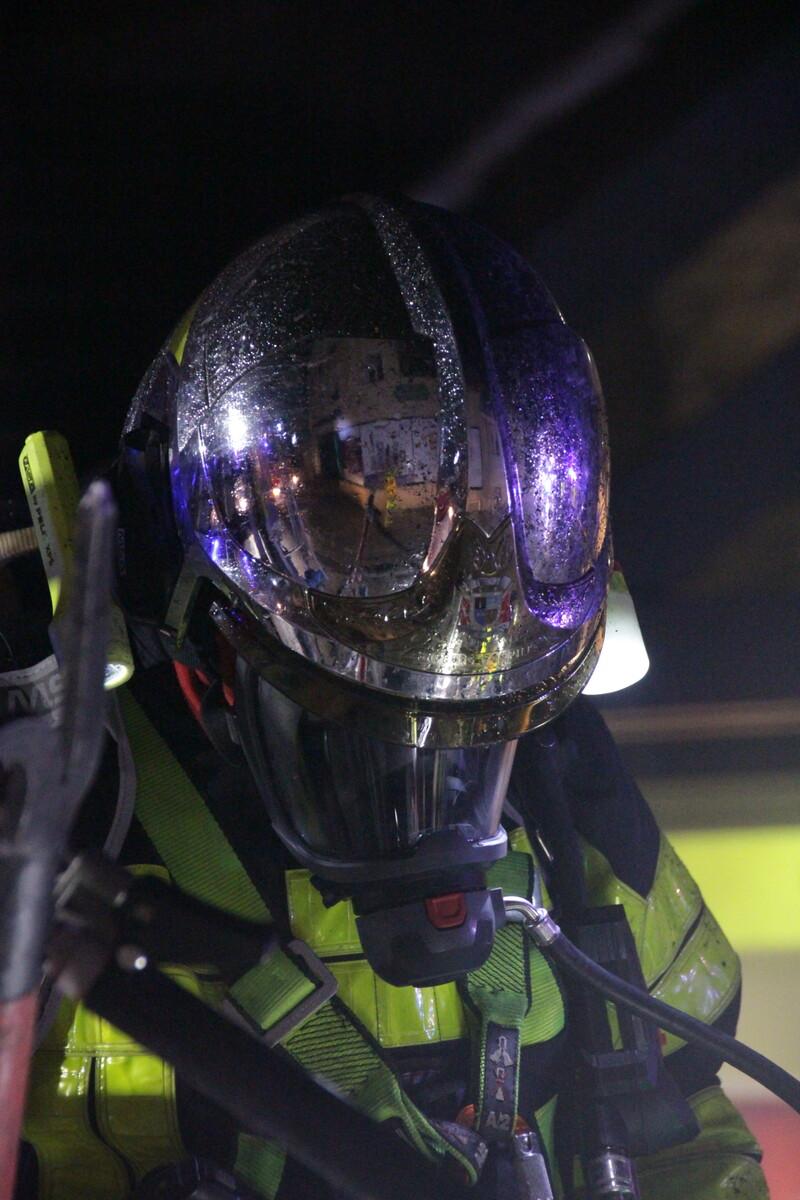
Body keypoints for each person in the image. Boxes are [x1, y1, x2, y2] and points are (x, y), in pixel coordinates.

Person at [12, 196, 767, 1198]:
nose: (438, 568)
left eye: (473, 500)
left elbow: (685, 1126)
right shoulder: (58, 808)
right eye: (355, 507)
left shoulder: (567, 799)